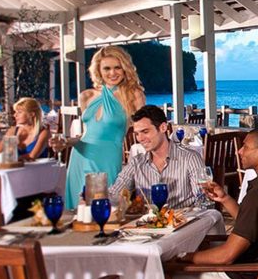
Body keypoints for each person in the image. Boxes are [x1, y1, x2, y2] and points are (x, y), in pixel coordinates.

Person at [172, 127, 258, 279]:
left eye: (245, 147)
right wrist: (225, 198)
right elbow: (252, 221)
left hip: (241, 276)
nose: (239, 151)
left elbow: (226, 256)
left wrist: (182, 256)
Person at [54, 46, 146, 204]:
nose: (112, 73)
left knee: (108, 210)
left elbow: (144, 128)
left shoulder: (133, 95)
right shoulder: (86, 96)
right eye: (107, 68)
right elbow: (85, 135)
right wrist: (66, 142)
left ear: (125, 69)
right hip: (80, 157)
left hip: (108, 158)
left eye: (117, 67)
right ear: (99, 70)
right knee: (80, 213)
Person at [109, 105, 207, 209]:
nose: (140, 138)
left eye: (145, 132)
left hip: (186, 221)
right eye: (137, 134)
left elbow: (202, 199)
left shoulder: (190, 158)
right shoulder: (136, 163)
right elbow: (115, 194)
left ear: (163, 128)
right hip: (147, 223)